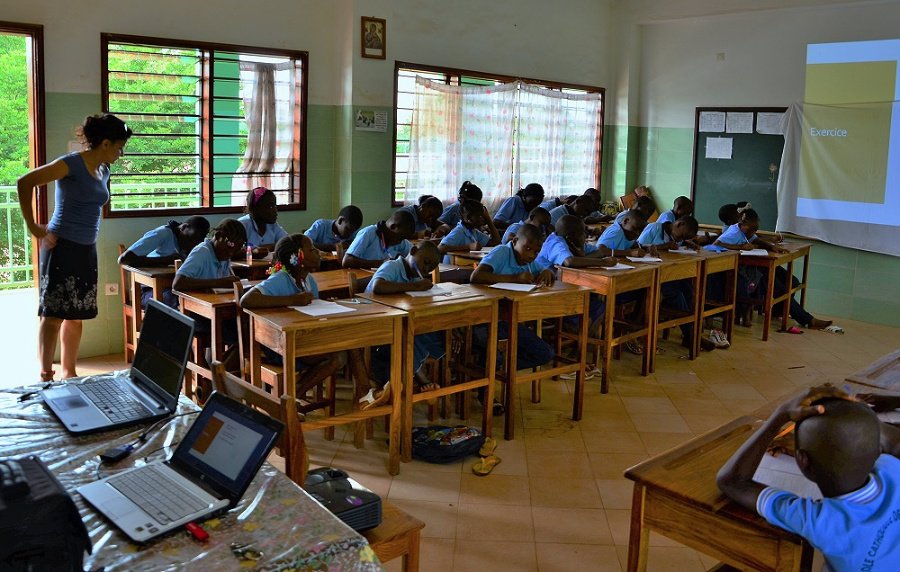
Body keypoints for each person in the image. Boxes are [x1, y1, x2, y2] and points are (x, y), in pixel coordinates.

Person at [717, 386, 900, 571]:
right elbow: (894, 442)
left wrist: (780, 415)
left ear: (802, 461)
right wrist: (858, 416)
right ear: (878, 451)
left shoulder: (820, 521)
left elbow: (732, 481)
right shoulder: (893, 468)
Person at [17, 113, 132, 381]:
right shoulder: (69, 164)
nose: (120, 152)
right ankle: (46, 374)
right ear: (104, 143)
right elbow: (25, 182)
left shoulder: (104, 169)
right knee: (54, 313)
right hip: (61, 246)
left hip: (85, 249)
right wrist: (34, 227)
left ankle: (70, 372)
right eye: (118, 146)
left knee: (76, 314)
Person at [240, 234, 363, 399]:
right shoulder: (281, 278)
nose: (318, 252)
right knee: (343, 349)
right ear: (298, 257)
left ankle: (295, 395)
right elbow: (246, 300)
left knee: (347, 345)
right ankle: (365, 393)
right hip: (277, 345)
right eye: (312, 249)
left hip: (302, 338)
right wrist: (292, 300)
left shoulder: (309, 280)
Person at [714, 209, 832, 330]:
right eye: (752, 230)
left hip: (756, 265)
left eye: (755, 229)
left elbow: (756, 239)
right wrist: (739, 247)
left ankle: (778, 310)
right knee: (781, 289)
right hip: (744, 270)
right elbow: (716, 244)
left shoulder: (746, 230)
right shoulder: (733, 233)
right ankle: (807, 320)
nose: (754, 232)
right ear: (743, 226)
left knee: (792, 281)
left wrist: (773, 247)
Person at [470, 223, 555, 374]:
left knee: (545, 353)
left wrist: (548, 272)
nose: (531, 255)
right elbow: (476, 276)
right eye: (527, 249)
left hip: (507, 321)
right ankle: (490, 370)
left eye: (536, 252)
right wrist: (515, 278)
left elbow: (542, 269)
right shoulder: (502, 252)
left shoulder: (528, 262)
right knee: (491, 349)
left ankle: (499, 366)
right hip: (483, 321)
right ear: (515, 241)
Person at [366, 241, 445, 395]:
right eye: (425, 262)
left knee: (427, 331)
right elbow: (378, 286)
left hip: (397, 324)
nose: (425, 269)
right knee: (409, 335)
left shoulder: (415, 278)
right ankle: (419, 377)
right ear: (413, 251)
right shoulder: (393, 266)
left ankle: (408, 377)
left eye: (430, 268)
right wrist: (415, 287)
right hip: (377, 324)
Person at [637, 216, 718, 350]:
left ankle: (691, 333)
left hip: (667, 273)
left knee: (689, 288)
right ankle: (690, 334)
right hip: (648, 274)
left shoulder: (676, 235)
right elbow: (639, 246)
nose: (681, 239)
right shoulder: (655, 228)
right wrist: (665, 246)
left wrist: (687, 243)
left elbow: (677, 245)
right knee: (675, 293)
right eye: (683, 236)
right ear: (679, 224)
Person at [118, 216, 211, 309]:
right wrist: (164, 260)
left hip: (174, 289)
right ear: (183, 227)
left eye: (197, 243)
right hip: (147, 291)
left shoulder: (196, 245)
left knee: (201, 300)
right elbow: (124, 259)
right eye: (190, 239)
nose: (191, 245)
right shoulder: (163, 233)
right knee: (177, 302)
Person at [342, 209, 416, 269]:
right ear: (393, 227)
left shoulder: (400, 240)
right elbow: (347, 261)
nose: (401, 242)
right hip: (361, 280)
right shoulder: (368, 233)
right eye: (401, 238)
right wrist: (381, 263)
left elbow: (415, 253)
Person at [438, 199, 500, 264]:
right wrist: (468, 246)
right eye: (480, 216)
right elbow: (440, 248)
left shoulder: (473, 231)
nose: (483, 218)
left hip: (464, 266)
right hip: (452, 269)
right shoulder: (459, 231)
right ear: (469, 218)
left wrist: (488, 219)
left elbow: (496, 242)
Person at [238, 186, 288, 257]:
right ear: (256, 209)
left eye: (275, 206)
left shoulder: (273, 226)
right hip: (243, 267)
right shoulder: (243, 225)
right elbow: (233, 250)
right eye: (270, 207)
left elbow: (286, 243)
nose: (275, 211)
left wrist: (267, 247)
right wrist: (253, 251)